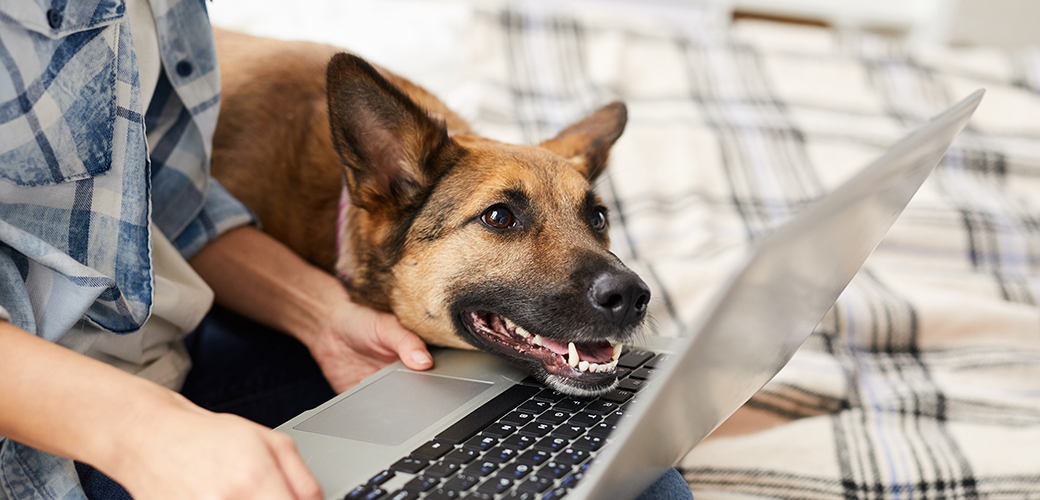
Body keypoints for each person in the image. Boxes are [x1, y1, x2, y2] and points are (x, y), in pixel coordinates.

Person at [0, 1, 693, 499]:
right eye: (504, 219)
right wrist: (143, 433)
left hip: (163, 346)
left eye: (593, 219)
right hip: (54, 432)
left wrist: (322, 317)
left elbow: (166, 204)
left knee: (633, 475)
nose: (622, 286)